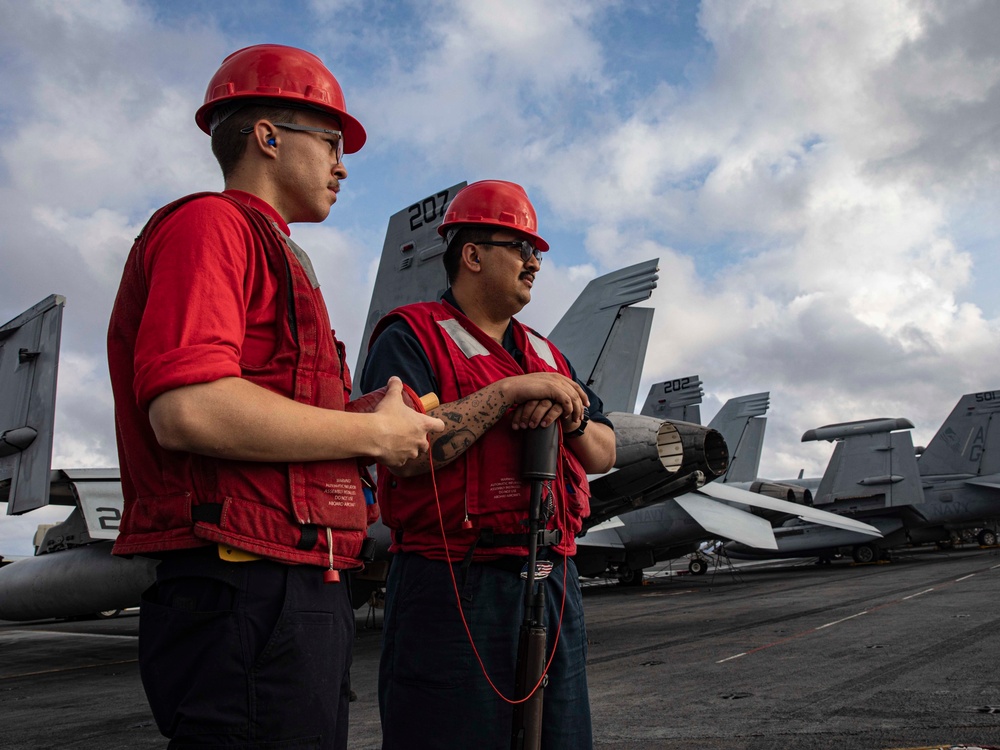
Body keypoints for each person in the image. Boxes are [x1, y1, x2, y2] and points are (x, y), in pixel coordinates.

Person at [106, 44, 443, 750]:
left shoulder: (273, 247)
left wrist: (379, 419)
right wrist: (370, 436)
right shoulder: (212, 225)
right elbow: (188, 409)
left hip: (291, 581)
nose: (342, 166)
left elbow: (271, 412)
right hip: (244, 586)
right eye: (330, 143)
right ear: (267, 136)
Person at [360, 179, 616, 749]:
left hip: (553, 577)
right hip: (452, 580)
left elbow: (605, 452)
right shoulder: (410, 337)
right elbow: (407, 452)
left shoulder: (549, 354)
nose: (535, 263)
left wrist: (570, 415)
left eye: (537, 252)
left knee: (561, 737)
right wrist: (508, 393)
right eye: (521, 248)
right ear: (472, 255)